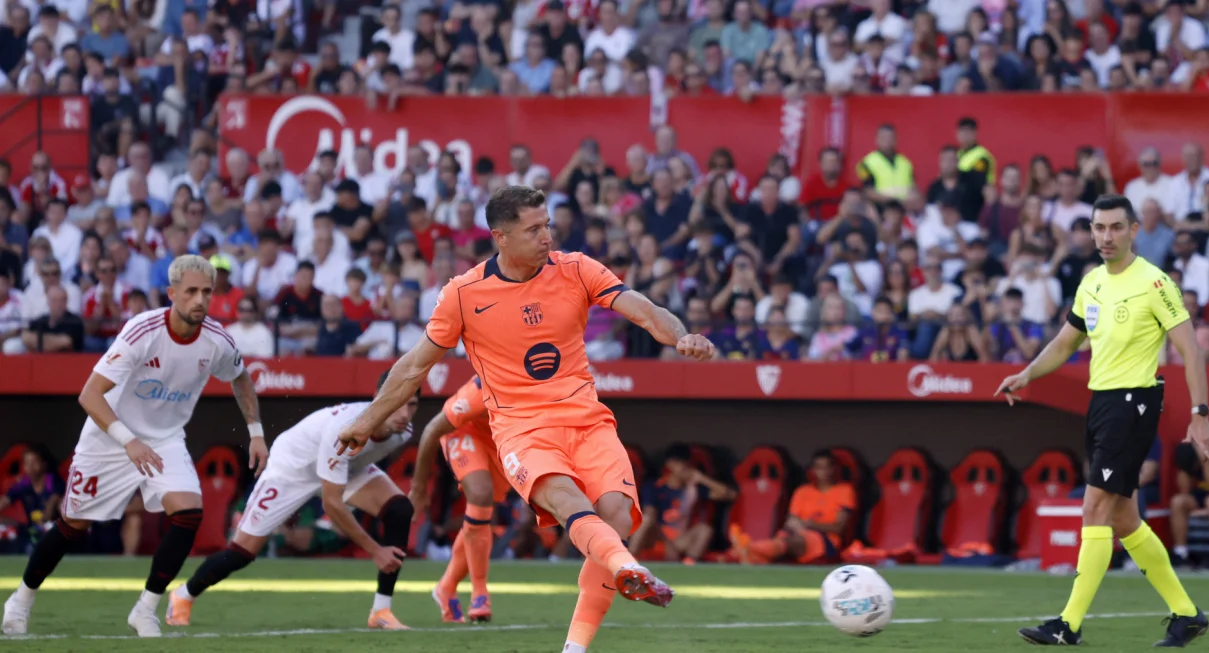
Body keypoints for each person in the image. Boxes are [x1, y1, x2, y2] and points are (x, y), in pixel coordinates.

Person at [334, 186, 715, 653]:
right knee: (566, 499)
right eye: (533, 229)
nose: (546, 236)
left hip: (588, 421)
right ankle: (623, 568)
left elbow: (645, 311)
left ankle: (578, 642)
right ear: (501, 237)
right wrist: (368, 419)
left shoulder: (576, 268)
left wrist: (680, 336)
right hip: (522, 430)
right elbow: (413, 366)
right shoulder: (463, 294)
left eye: (547, 225)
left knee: (615, 518)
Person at [1, 255, 269, 638]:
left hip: (165, 439)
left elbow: (241, 378)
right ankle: (20, 600)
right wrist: (129, 442)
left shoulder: (217, 340)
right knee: (72, 524)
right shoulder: (142, 330)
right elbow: (89, 395)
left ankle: (146, 609)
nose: (199, 300)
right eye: (191, 291)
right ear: (171, 292)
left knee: (189, 512)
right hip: (110, 435)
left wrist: (256, 433)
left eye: (206, 292)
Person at [996, 194, 1209, 647]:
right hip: (1101, 404)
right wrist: (1028, 373)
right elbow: (1064, 342)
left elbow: (1190, 350)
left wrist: (1199, 412)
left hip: (1133, 403)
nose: (1106, 236)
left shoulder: (1155, 283)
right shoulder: (1091, 281)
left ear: (1134, 230)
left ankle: (1068, 624)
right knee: (1124, 520)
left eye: (1116, 227)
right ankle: (1187, 614)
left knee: (1094, 508)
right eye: (1099, 228)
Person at [167, 372, 418, 630]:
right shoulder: (345, 429)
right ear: (378, 398)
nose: (404, 414)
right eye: (397, 402)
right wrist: (375, 550)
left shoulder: (403, 431)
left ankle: (381, 611)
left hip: (341, 466)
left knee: (399, 509)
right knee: (241, 552)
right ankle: (184, 595)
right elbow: (332, 505)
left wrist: (417, 489)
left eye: (412, 405)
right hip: (292, 469)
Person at [409, 375, 508, 623]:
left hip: (501, 442)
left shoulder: (540, 384)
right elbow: (432, 430)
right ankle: (480, 594)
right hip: (464, 430)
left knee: (483, 516)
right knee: (481, 495)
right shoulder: (479, 390)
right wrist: (419, 487)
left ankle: (446, 586)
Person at [730, 450, 855, 564]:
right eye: (819, 467)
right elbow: (791, 520)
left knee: (793, 541)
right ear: (812, 470)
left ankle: (750, 548)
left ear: (833, 469)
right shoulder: (802, 491)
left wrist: (809, 525)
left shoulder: (844, 490)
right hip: (797, 533)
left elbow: (839, 528)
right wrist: (795, 525)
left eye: (827, 467)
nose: (824, 472)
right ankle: (753, 552)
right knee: (784, 537)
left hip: (826, 542)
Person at [628, 444, 735, 563]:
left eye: (686, 463)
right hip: (658, 537)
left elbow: (729, 495)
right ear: (669, 464)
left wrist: (702, 478)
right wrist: (667, 544)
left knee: (705, 529)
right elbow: (650, 515)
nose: (682, 467)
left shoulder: (694, 488)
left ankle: (688, 565)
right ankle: (629, 561)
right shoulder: (654, 486)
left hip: (681, 539)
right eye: (677, 463)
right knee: (646, 520)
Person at [1170, 439, 1209, 570]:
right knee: (1178, 501)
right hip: (1202, 497)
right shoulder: (1188, 454)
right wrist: (1184, 469)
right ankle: (1181, 553)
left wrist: (1205, 461)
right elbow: (1185, 489)